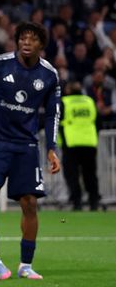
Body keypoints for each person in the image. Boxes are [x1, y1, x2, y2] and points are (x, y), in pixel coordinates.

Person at [0, 21, 62, 280]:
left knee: (30, 202)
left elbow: (54, 114)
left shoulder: (49, 75)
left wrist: (52, 148)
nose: (26, 43)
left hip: (27, 146)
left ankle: (26, 264)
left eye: (32, 39)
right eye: (22, 38)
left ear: (41, 45)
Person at [60, 82, 100, 211]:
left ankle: (77, 202)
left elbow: (57, 122)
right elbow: (97, 121)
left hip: (71, 143)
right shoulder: (89, 101)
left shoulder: (64, 102)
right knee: (90, 174)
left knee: (72, 174)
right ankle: (94, 201)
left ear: (68, 90)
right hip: (89, 142)